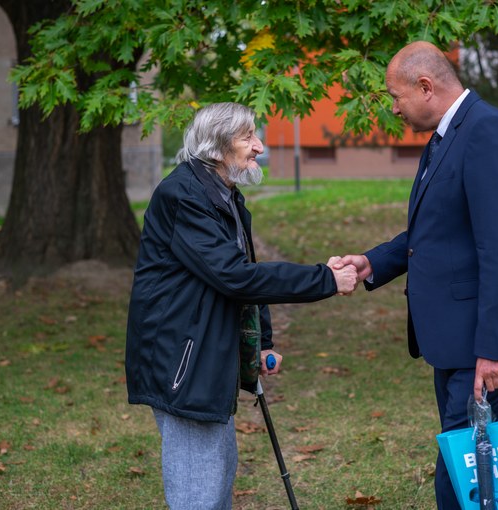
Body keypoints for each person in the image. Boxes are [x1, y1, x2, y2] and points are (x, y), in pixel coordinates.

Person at [336, 42, 498, 510]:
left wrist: (497, 349)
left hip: (488, 341)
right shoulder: (447, 134)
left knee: (464, 481)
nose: (393, 109)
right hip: (456, 339)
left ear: (426, 87)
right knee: (468, 469)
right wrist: (374, 261)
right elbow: (436, 230)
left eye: (396, 97)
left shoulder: (486, 131)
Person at [125, 102, 357, 509]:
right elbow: (235, 276)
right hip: (181, 360)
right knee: (199, 489)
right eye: (247, 136)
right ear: (216, 148)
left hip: (205, 356)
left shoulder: (224, 195)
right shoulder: (183, 195)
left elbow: (244, 278)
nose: (260, 146)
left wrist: (261, 342)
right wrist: (325, 279)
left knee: (219, 474)